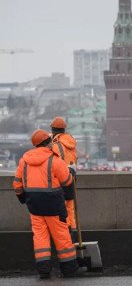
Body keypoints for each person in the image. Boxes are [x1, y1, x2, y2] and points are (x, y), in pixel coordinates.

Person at [12, 129, 85, 279]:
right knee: (62, 236)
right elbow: (66, 182)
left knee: (40, 237)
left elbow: (17, 185)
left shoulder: (24, 161)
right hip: (54, 205)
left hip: (34, 205)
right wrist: (71, 172)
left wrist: (23, 199)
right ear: (47, 143)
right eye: (50, 141)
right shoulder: (54, 160)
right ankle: (69, 269)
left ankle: (44, 270)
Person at [50, 117, 78, 242]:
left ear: (53, 129)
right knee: (70, 208)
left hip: (60, 179)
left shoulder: (56, 145)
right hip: (71, 178)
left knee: (60, 208)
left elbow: (52, 164)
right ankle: (73, 232)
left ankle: (65, 233)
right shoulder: (70, 143)